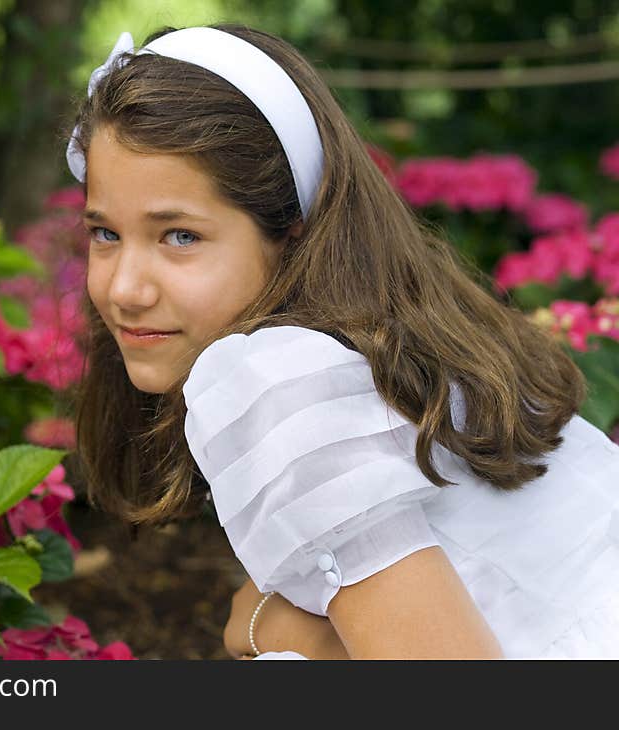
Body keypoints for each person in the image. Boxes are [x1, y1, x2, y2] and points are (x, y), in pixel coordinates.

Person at [66, 24, 619, 659]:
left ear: (292, 232)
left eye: (180, 236)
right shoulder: (388, 347)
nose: (125, 289)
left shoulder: (274, 380)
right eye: (105, 233)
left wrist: (266, 629)